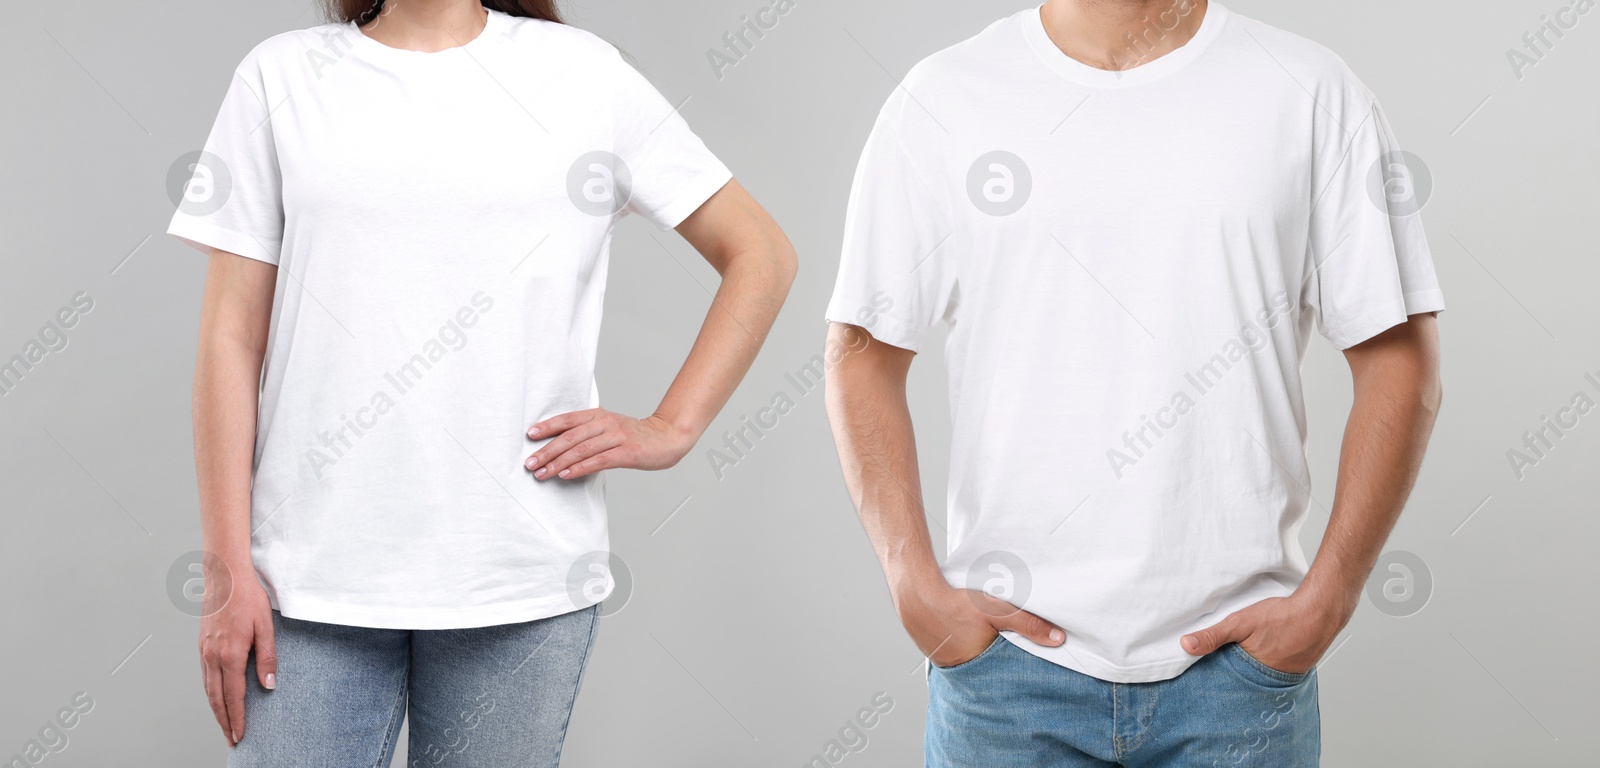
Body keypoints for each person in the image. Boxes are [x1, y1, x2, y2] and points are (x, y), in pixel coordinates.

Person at [167, 1, 796, 765]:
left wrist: (672, 427)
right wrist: (228, 570)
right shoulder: (282, 75)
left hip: (518, 577)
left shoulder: (582, 73)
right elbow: (231, 337)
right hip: (306, 583)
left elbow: (760, 252)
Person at [823, 0, 1442, 765]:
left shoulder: (1311, 92)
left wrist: (1333, 593)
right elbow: (861, 351)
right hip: (1006, 678)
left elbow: (1398, 355)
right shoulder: (945, 98)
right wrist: (909, 579)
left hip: (1239, 679)